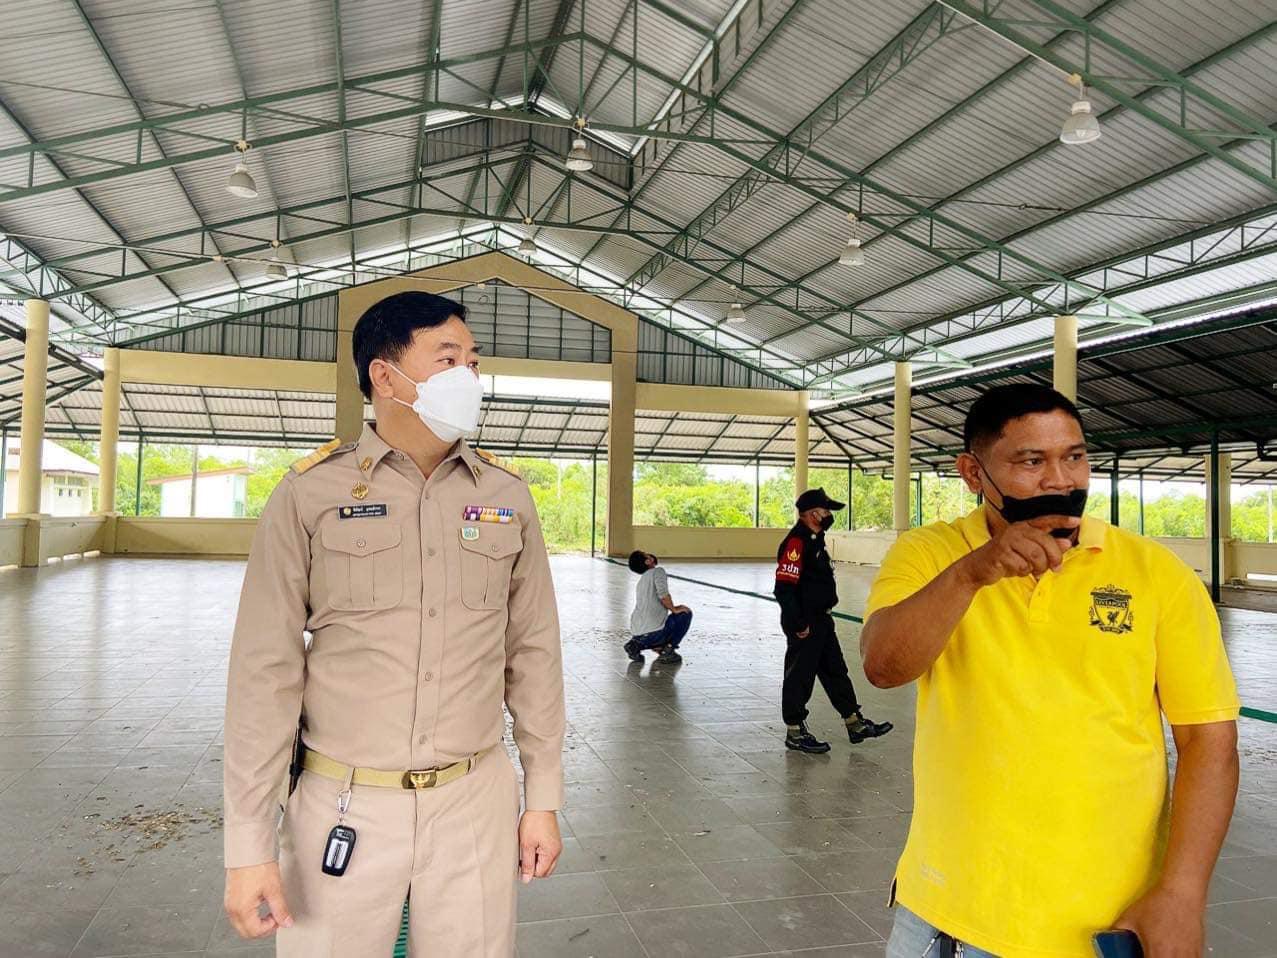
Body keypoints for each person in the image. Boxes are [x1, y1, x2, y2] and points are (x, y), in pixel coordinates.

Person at [222, 290, 566, 957]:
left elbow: (534, 655)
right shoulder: (309, 494)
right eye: (447, 358)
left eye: (473, 361)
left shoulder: (506, 495)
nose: (469, 376)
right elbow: (264, 674)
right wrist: (248, 845)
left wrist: (542, 798)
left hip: (473, 799)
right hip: (344, 802)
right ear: (385, 375)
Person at [861, 383, 1240, 958]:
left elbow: (1207, 740)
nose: (1060, 480)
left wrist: (1182, 893)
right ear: (973, 473)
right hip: (950, 917)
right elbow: (883, 665)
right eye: (1031, 461)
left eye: (1074, 456)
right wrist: (971, 574)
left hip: (1107, 924)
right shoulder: (930, 554)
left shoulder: (1156, 574)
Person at [775, 488, 893, 753]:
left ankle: (854, 723)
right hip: (805, 623)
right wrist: (798, 624)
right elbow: (784, 588)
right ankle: (794, 731)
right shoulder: (797, 543)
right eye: (826, 510)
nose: (829, 515)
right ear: (811, 513)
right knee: (800, 676)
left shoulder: (816, 540)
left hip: (822, 620)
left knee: (835, 671)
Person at [624, 551, 692, 664]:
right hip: (653, 634)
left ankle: (635, 644)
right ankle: (668, 650)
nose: (650, 554)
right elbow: (663, 595)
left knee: (654, 628)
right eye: (646, 554)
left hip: (638, 634)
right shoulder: (658, 571)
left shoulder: (642, 581)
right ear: (648, 561)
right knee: (685, 614)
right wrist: (674, 609)